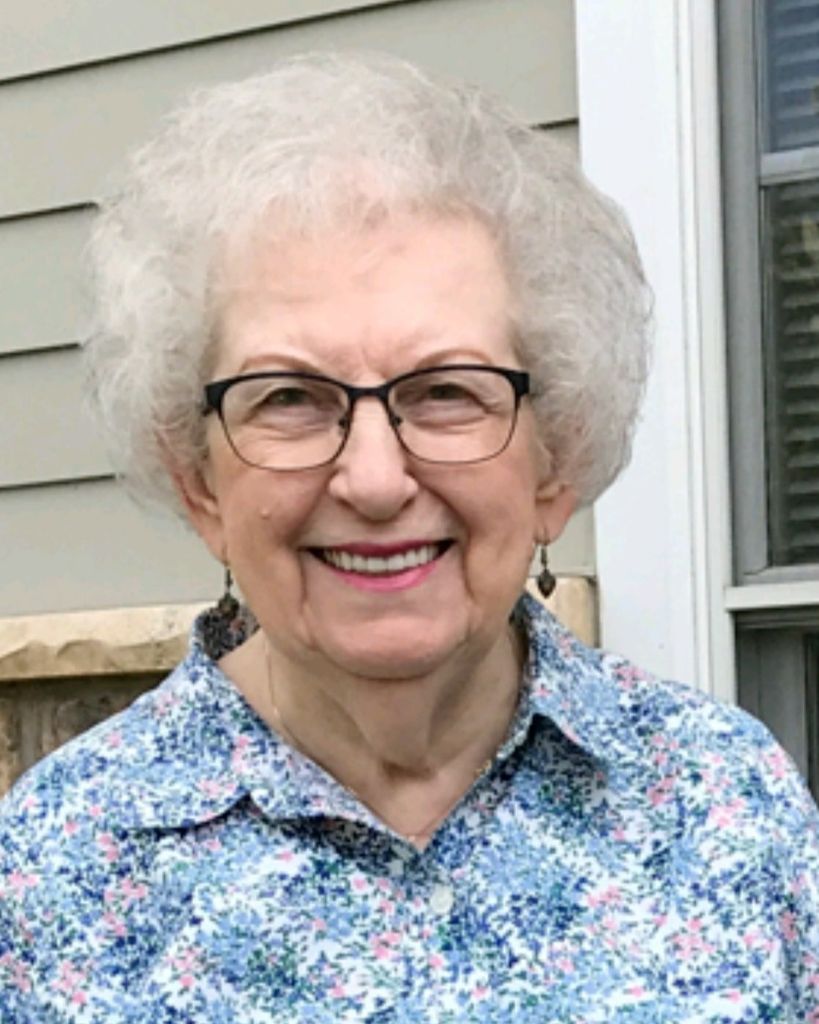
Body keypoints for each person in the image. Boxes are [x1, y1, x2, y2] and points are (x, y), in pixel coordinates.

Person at [0, 51, 817, 1023]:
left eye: (446, 391)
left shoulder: (722, 797)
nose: (376, 480)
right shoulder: (55, 865)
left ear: (554, 465)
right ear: (199, 481)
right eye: (289, 398)